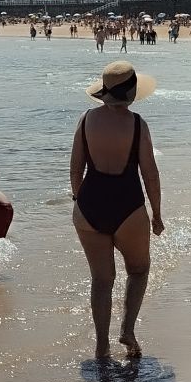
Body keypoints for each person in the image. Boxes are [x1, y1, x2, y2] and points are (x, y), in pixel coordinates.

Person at [71, 61, 165, 363]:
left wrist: (79, 200)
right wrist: (156, 213)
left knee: (101, 279)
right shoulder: (137, 124)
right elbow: (150, 173)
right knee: (138, 270)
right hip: (128, 204)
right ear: (132, 92)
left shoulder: (86, 120)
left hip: (90, 204)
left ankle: (101, 346)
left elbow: (76, 169)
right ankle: (126, 328)